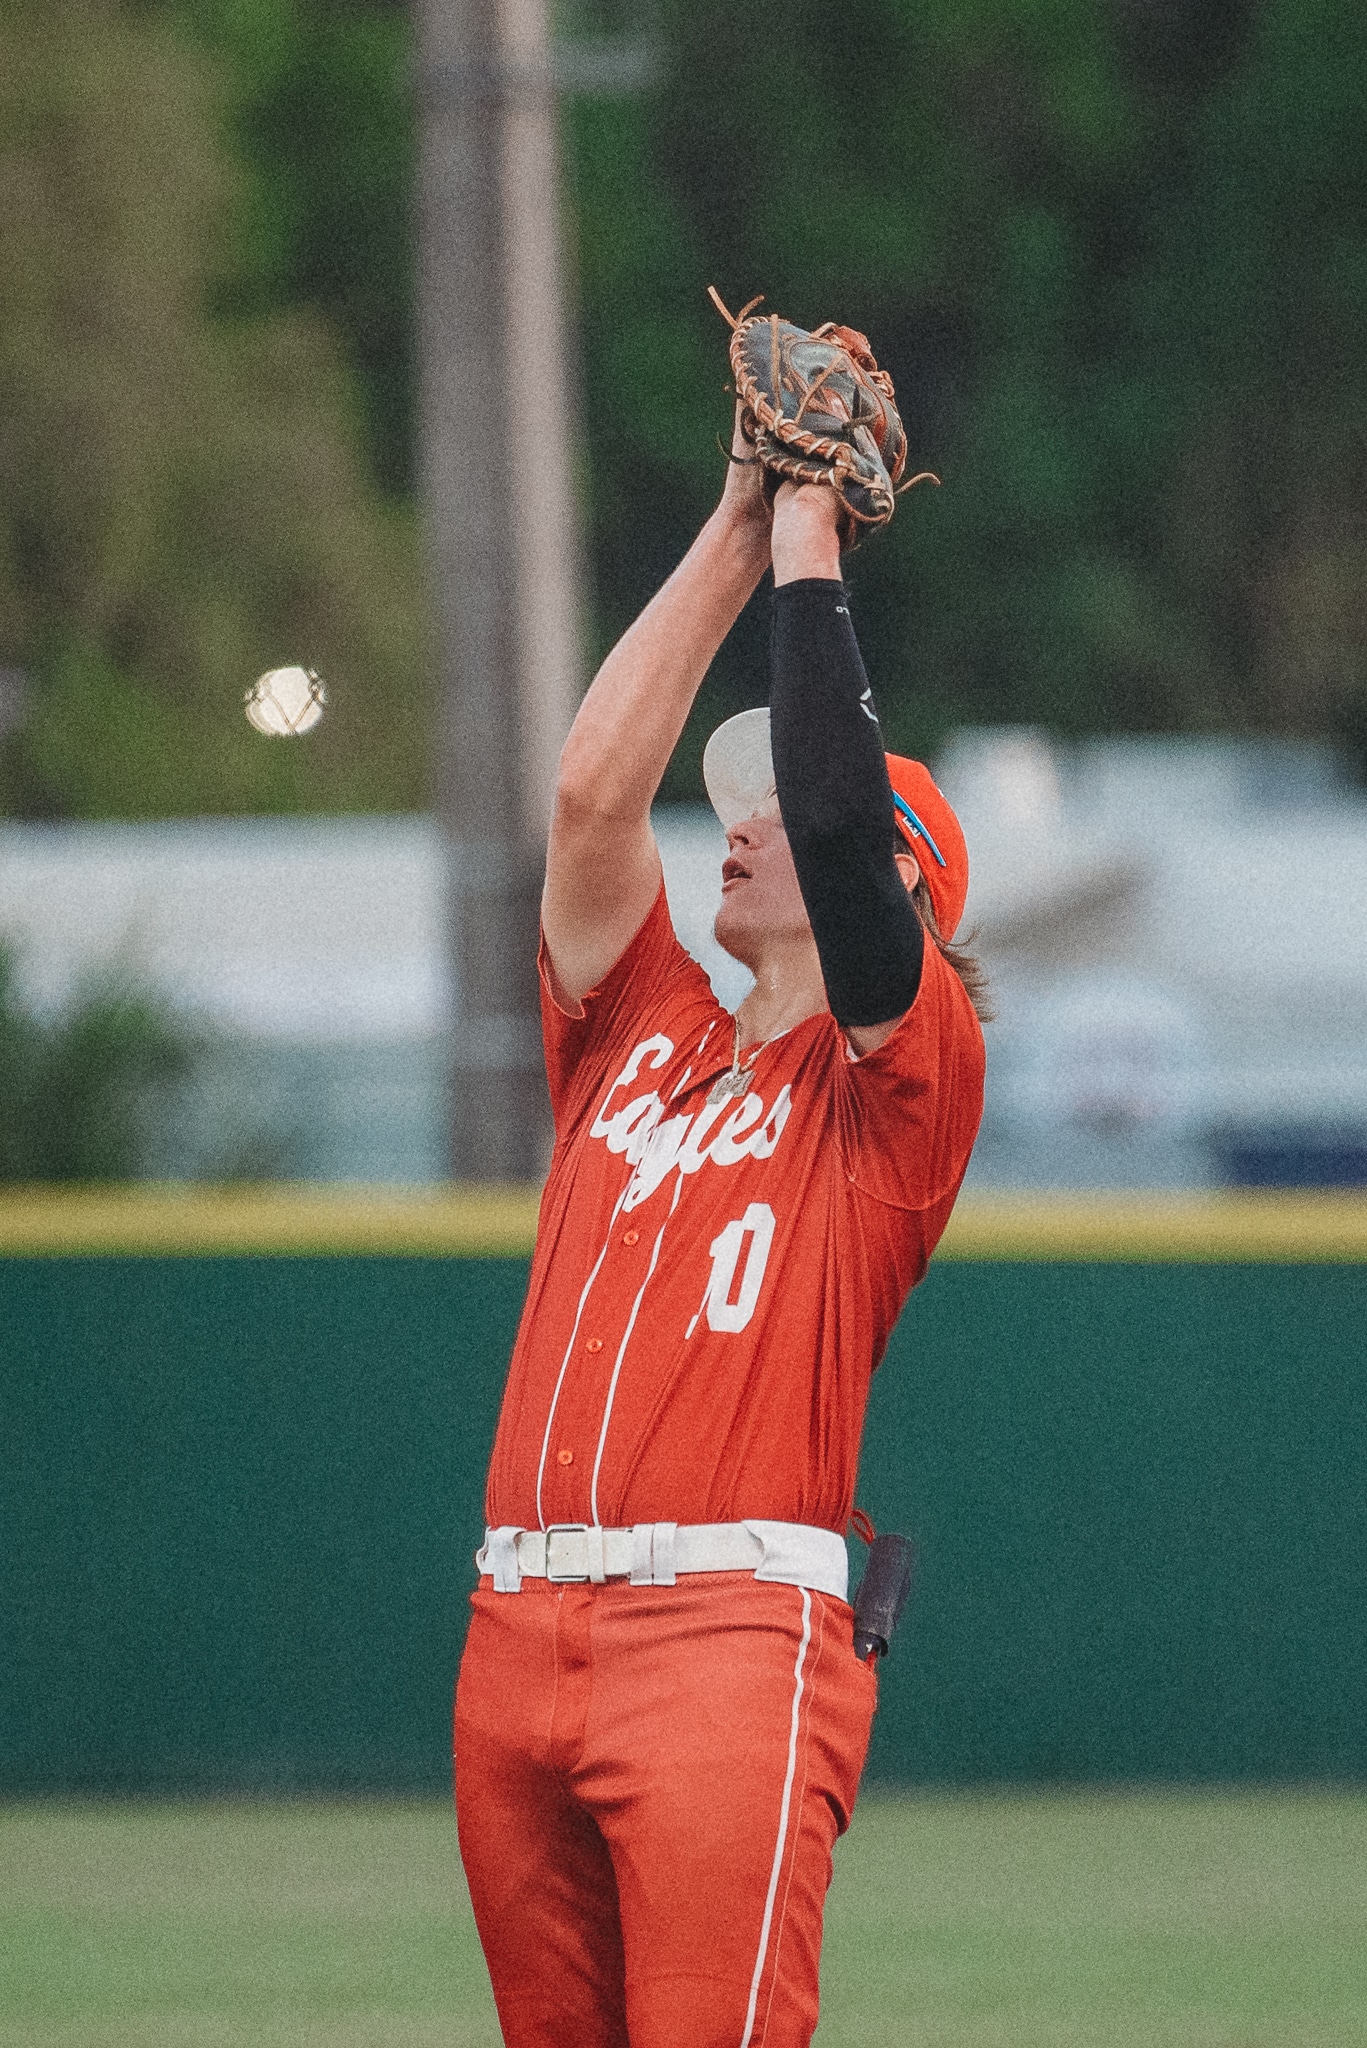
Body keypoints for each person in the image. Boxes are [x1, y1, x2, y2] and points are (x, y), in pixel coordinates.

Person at [453, 404, 987, 2048]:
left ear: (900, 895)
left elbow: (835, 819)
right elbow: (587, 799)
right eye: (739, 801)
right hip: (517, 1636)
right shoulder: (643, 1029)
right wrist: (744, 515)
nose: (739, 822)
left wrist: (820, 548)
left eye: (780, 806)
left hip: (730, 1645)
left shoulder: (899, 1089)